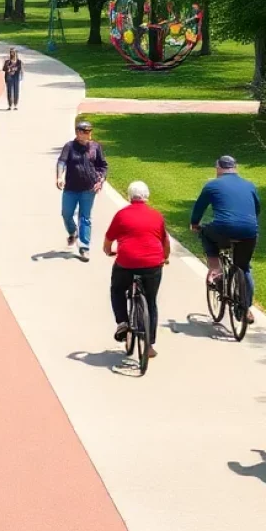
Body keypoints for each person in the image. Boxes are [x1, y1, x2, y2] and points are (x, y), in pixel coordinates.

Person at [104, 181, 170, 358]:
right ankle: (149, 346)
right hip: (153, 264)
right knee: (151, 301)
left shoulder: (121, 215)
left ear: (129, 196)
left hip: (126, 262)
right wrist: (165, 258)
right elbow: (165, 242)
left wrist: (108, 251)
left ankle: (123, 322)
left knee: (117, 289)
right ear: (147, 197)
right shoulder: (156, 216)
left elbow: (109, 239)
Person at [190, 155, 260, 324]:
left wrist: (194, 224)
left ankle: (215, 269)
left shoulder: (212, 185)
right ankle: (246, 309)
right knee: (244, 267)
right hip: (249, 230)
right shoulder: (249, 185)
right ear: (235, 168)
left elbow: (199, 207)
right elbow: (257, 208)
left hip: (223, 228)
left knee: (206, 232)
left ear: (219, 168)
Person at [56, 120, 108, 262]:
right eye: (85, 131)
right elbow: (61, 162)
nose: (89, 134)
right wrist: (60, 177)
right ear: (78, 133)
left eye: (90, 131)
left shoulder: (95, 147)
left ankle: (84, 248)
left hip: (88, 189)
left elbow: (103, 166)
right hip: (71, 188)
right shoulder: (70, 147)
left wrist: (100, 180)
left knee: (85, 218)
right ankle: (73, 232)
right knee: (66, 214)